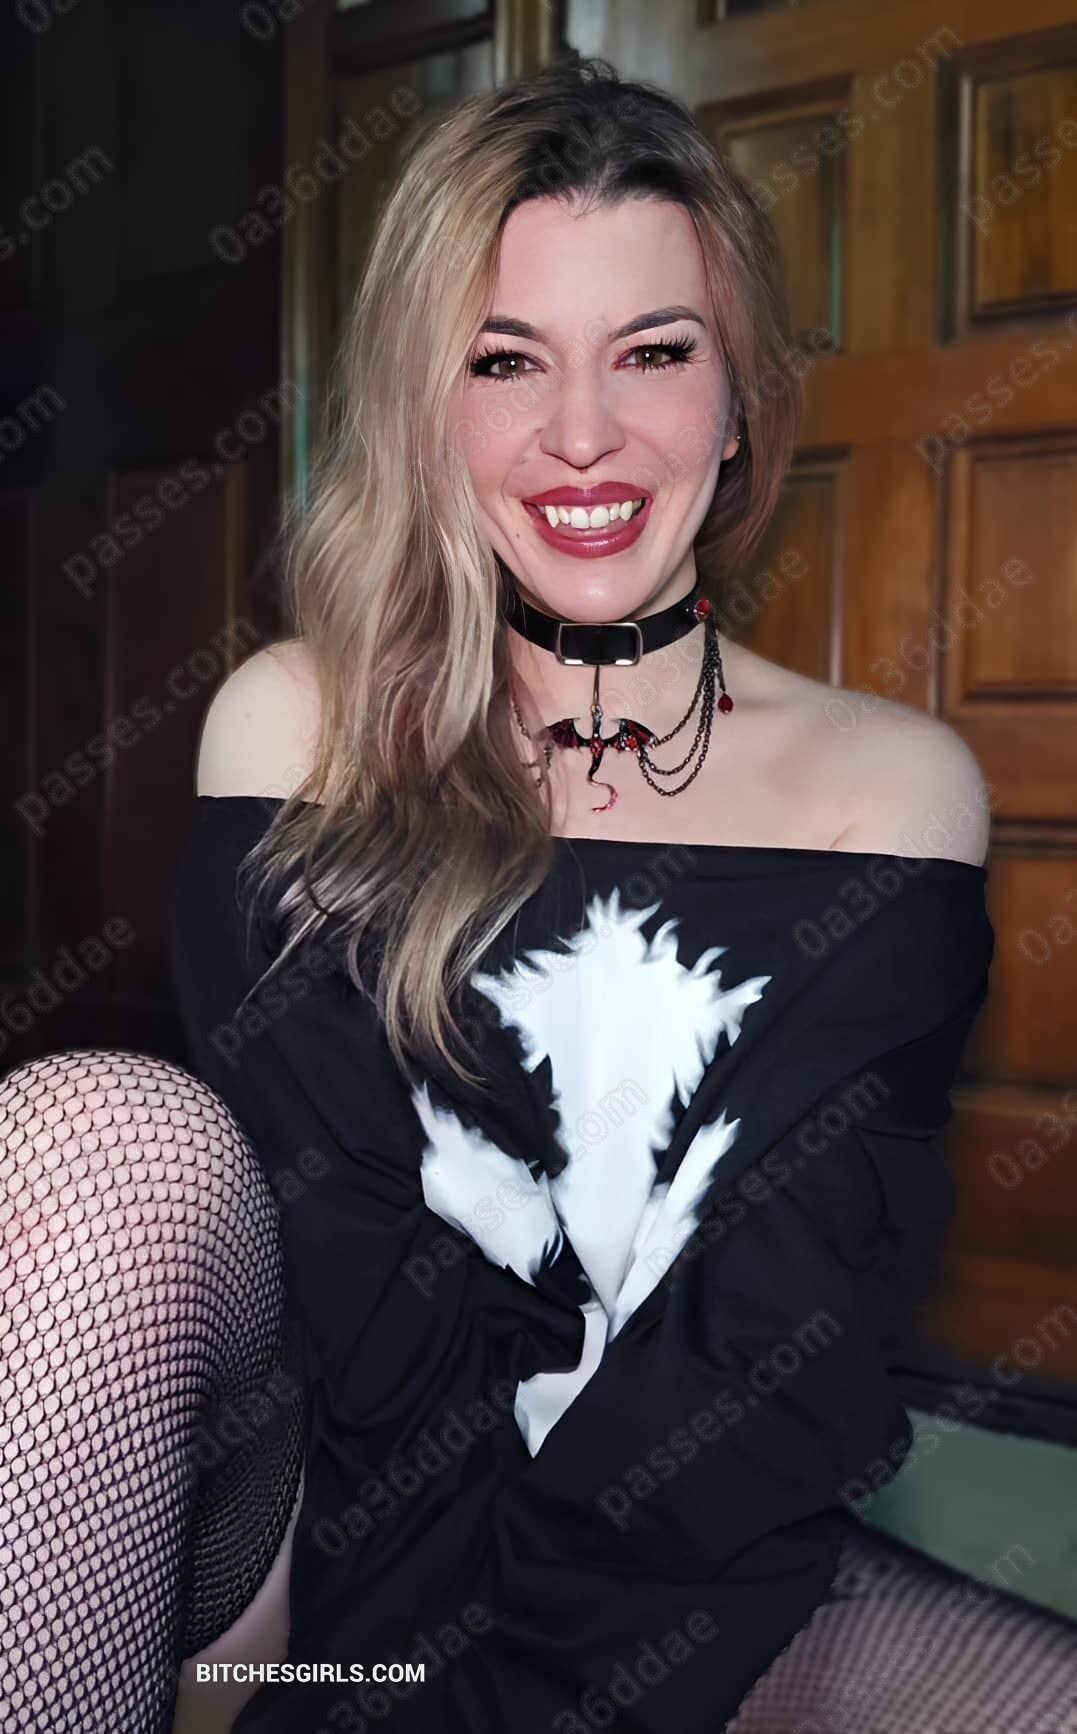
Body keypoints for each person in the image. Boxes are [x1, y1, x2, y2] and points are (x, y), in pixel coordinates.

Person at [2, 54, 1074, 1734]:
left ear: (739, 401)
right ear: (428, 407)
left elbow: (766, 1339)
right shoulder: (296, 728)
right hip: (324, 1567)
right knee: (93, 1129)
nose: (582, 433)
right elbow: (348, 1285)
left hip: (694, 1563)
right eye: (506, 360)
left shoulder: (888, 788)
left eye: (654, 352)